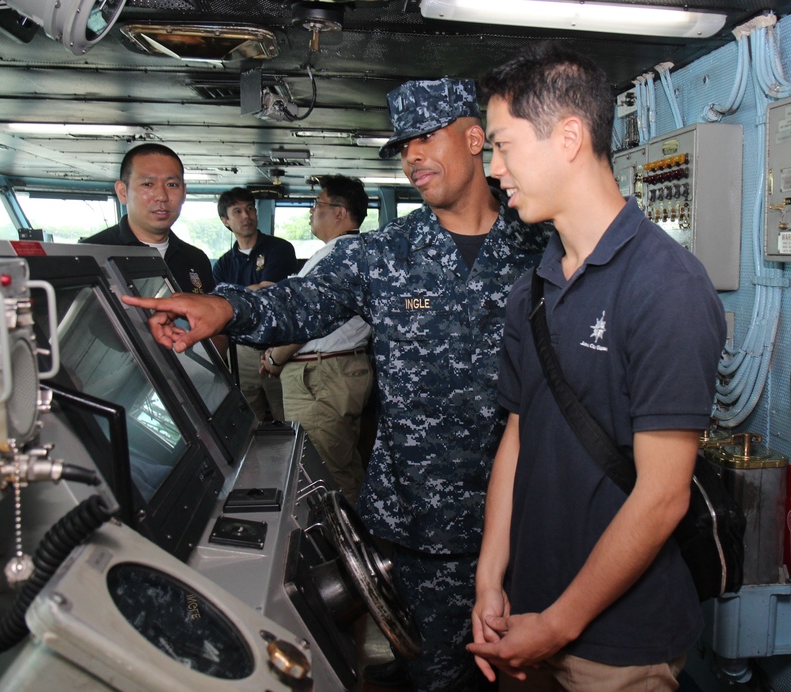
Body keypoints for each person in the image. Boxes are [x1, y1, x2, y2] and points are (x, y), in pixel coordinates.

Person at [121, 78, 547, 692]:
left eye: (427, 136)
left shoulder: (541, 242)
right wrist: (226, 308)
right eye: (403, 145)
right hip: (420, 524)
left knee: (532, 673)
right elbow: (301, 302)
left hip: (529, 515)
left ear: (475, 137)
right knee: (435, 675)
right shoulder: (382, 255)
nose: (412, 156)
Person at [467, 46, 726, 690]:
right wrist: (489, 577)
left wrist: (558, 626)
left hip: (617, 642)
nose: (494, 169)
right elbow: (518, 435)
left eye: (502, 145)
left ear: (570, 138)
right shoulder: (534, 285)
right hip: (526, 613)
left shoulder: (666, 287)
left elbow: (662, 496)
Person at [260, 175, 373, 506]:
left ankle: (352, 553)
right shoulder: (346, 252)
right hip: (333, 372)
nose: (311, 212)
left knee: (326, 475)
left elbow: (306, 317)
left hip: (319, 378)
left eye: (316, 204)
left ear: (339, 212)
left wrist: (275, 358)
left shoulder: (339, 256)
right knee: (342, 465)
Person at [81, 143, 215, 296]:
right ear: (123, 192)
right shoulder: (88, 257)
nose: (162, 196)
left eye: (172, 185)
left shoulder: (196, 260)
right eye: (148, 184)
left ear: (184, 192)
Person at [213, 186, 297, 422]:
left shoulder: (279, 249)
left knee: (286, 418)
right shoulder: (223, 264)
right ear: (226, 221)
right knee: (250, 421)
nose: (246, 216)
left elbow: (269, 292)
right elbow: (220, 305)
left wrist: (231, 297)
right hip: (240, 352)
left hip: (277, 348)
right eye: (237, 211)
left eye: (250, 209)